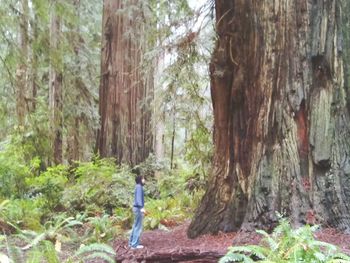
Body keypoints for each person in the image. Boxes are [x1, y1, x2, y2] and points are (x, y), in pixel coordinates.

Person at [129, 172, 146, 249]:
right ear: (140, 180)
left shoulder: (137, 186)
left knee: (135, 226)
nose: (144, 180)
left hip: (136, 208)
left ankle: (131, 243)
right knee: (138, 226)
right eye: (143, 179)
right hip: (138, 208)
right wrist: (141, 208)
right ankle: (134, 245)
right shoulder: (139, 187)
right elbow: (139, 199)